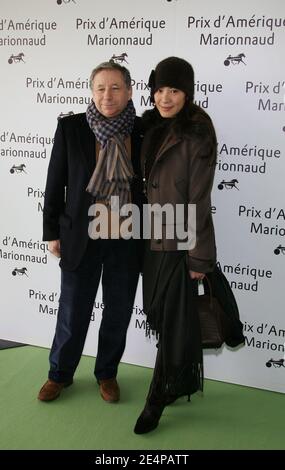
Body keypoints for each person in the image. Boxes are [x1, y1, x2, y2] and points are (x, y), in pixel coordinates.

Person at [38, 61, 144, 403]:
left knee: (117, 310)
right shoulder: (71, 128)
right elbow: (56, 182)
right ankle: (59, 375)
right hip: (80, 235)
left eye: (115, 88)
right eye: (100, 88)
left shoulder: (143, 131)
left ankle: (107, 374)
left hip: (127, 236)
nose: (107, 95)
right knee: (72, 309)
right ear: (91, 91)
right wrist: (51, 231)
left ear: (129, 91)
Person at [134, 57, 217, 434]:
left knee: (170, 319)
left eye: (175, 91)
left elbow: (199, 198)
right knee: (159, 313)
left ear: (188, 92)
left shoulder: (198, 132)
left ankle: (156, 399)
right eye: (160, 89)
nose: (165, 98)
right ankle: (176, 380)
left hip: (179, 239)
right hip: (147, 236)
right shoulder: (149, 125)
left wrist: (198, 254)